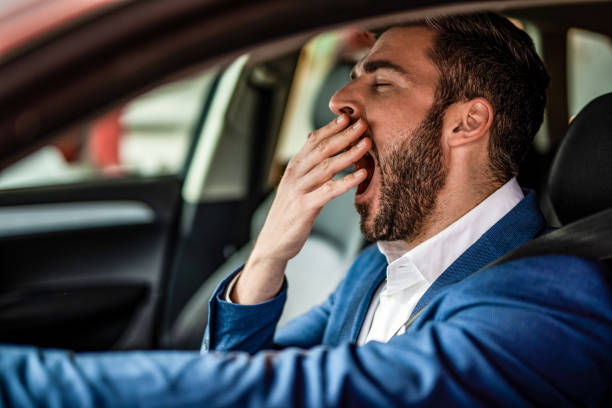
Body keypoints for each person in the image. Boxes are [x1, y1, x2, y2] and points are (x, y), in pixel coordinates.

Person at [1, 13, 610, 408]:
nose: (340, 99)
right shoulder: (374, 271)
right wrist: (269, 253)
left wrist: (30, 387)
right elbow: (232, 381)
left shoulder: (547, 296)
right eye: (351, 78)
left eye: (381, 82)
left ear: (466, 122)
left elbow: (298, 393)